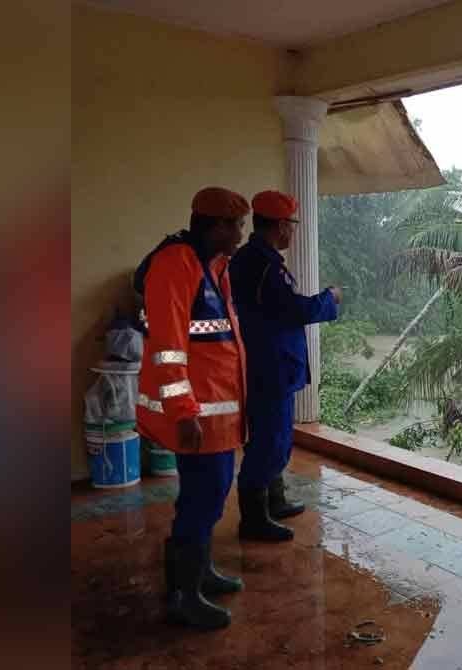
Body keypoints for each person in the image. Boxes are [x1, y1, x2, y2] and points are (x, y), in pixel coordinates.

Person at [133, 186, 249, 630]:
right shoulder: (175, 264)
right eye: (236, 226)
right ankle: (183, 594)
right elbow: (168, 348)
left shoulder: (213, 266)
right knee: (204, 497)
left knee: (210, 495)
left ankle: (199, 572)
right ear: (216, 226)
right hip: (196, 414)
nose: (241, 234)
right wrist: (183, 410)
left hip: (217, 414)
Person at [230, 190, 341, 542]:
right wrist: (329, 298)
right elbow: (294, 310)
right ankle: (254, 518)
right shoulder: (262, 266)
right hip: (269, 367)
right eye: (292, 225)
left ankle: (273, 502)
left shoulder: (255, 261)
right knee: (269, 441)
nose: (293, 232)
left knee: (273, 439)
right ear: (280, 226)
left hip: (270, 364)